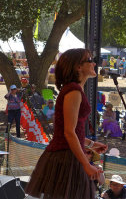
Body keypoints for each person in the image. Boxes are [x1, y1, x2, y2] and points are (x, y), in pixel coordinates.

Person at [26, 48, 108, 199]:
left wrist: (90, 144)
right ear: (78, 66)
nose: (94, 63)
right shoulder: (74, 91)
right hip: (66, 158)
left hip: (67, 156)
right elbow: (68, 133)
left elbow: (72, 132)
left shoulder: (74, 90)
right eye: (89, 60)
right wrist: (86, 165)